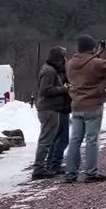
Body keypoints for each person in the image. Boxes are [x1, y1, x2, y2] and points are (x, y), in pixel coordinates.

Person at [63, 35, 106, 183]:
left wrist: (99, 54)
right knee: (92, 140)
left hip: (76, 105)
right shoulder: (95, 63)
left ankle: (70, 173)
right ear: (92, 48)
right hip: (93, 105)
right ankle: (91, 172)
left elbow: (89, 63)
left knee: (75, 140)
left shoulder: (70, 64)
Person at [31, 46, 71, 179]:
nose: (65, 59)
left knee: (51, 138)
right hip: (48, 109)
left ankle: (47, 166)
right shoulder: (49, 71)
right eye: (64, 57)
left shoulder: (54, 70)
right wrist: (63, 89)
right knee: (46, 139)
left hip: (53, 108)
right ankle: (39, 168)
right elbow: (45, 90)